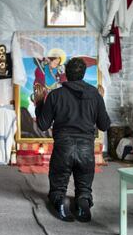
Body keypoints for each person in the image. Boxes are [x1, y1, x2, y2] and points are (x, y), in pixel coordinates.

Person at [34, 57, 111, 222]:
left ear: (66, 74)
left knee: (58, 187)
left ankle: (60, 201)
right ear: (83, 74)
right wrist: (100, 101)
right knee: (84, 188)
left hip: (63, 148)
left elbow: (42, 125)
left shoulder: (55, 95)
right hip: (86, 152)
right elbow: (104, 125)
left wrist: (40, 103)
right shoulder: (95, 96)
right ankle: (83, 202)